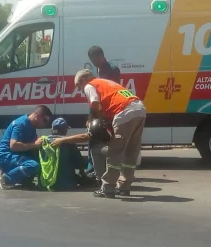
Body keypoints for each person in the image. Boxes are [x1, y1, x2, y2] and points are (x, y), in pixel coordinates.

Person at [51, 69, 146, 198]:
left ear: (83, 80)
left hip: (124, 112)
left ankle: (107, 187)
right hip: (139, 109)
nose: (80, 90)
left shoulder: (90, 85)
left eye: (78, 86)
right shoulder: (106, 83)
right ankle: (124, 187)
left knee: (115, 151)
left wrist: (94, 119)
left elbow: (95, 103)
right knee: (130, 152)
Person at [86, 46, 122, 183]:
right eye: (92, 60)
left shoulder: (112, 69)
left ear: (101, 56)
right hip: (99, 108)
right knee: (92, 135)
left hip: (108, 109)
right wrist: (91, 116)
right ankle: (93, 168)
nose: (94, 62)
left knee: (106, 139)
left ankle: (104, 171)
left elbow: (112, 91)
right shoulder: (97, 70)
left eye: (96, 58)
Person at [0, 105, 53, 189]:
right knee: (33, 165)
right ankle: (6, 179)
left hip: (16, 155)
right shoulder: (20, 124)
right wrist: (34, 145)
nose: (45, 124)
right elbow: (13, 146)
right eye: (44, 120)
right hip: (5, 157)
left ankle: (23, 179)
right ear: (37, 115)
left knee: (42, 160)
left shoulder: (31, 127)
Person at [39, 118, 89, 191]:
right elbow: (79, 163)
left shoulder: (43, 141)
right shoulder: (69, 143)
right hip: (66, 184)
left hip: (44, 182)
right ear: (65, 130)